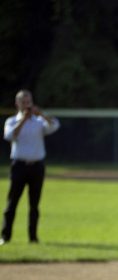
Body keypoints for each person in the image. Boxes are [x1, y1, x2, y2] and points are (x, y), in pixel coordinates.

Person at [1, 90, 60, 245]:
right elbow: (9, 136)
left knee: (34, 204)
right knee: (12, 203)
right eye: (24, 102)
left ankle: (33, 238)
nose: (27, 105)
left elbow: (54, 126)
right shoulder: (12, 121)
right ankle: (5, 236)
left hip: (37, 166)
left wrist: (41, 114)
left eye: (29, 102)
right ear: (17, 104)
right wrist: (23, 120)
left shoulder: (39, 122)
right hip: (19, 166)